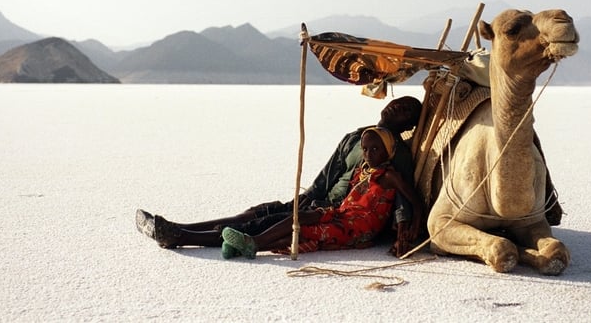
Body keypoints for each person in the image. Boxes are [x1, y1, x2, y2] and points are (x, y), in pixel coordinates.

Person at [136, 95, 424, 257]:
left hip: (336, 212)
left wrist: (403, 231)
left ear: (407, 124)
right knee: (255, 213)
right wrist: (308, 195)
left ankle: (180, 236)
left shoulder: (394, 154)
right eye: (400, 101)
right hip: (319, 201)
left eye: (407, 110)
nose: (398, 106)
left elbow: (401, 198)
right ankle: (182, 228)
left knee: (263, 223)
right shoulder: (356, 137)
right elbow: (328, 173)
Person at [221, 127, 425, 258]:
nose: (368, 154)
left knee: (307, 233)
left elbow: (413, 200)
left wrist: (411, 226)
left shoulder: (390, 176)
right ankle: (249, 244)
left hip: (358, 226)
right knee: (303, 216)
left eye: (375, 150)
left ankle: (255, 243)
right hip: (344, 215)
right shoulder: (365, 170)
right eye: (365, 149)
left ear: (388, 151)